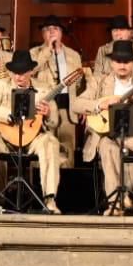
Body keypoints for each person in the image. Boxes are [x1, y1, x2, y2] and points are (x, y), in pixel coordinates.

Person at [78, 40, 133, 215]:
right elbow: (77, 104)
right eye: (118, 61)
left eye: (127, 61)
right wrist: (100, 104)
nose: (122, 65)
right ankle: (115, 205)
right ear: (111, 62)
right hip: (106, 135)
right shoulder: (99, 81)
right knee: (107, 147)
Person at [0, 49, 63, 213]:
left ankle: (49, 200)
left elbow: (55, 122)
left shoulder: (44, 89)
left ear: (31, 71)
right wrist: (6, 115)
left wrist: (48, 113)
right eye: (15, 72)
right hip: (3, 137)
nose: (18, 77)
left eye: (23, 72)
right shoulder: (1, 85)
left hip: (33, 138)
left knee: (51, 142)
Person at [30, 15, 85, 166]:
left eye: (55, 29)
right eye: (47, 29)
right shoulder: (35, 53)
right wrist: (48, 49)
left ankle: (66, 187)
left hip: (68, 108)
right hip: (45, 108)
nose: (52, 32)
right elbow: (31, 71)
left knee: (67, 151)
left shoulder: (74, 55)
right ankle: (41, 186)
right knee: (45, 151)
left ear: (62, 33)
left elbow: (80, 85)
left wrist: (83, 107)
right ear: (42, 34)